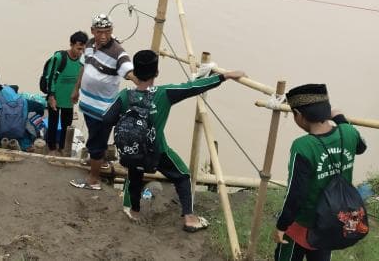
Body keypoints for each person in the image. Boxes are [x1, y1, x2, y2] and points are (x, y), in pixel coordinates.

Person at [108, 50, 244, 231]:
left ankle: (134, 211)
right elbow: (192, 87)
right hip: (156, 152)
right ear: (156, 72)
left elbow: (106, 118)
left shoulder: (124, 95)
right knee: (183, 175)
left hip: (131, 152)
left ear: (135, 73)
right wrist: (224, 76)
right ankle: (189, 218)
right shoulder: (163, 94)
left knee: (135, 174)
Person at [273, 84, 367, 261]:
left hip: (303, 224)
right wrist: (340, 118)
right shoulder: (348, 131)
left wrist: (282, 225)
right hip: (332, 221)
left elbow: (296, 193)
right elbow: (361, 147)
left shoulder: (303, 146)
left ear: (298, 115)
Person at [69, 14, 134, 190]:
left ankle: (93, 180)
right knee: (95, 136)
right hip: (88, 104)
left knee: (96, 143)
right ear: (93, 31)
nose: (104, 36)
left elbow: (128, 71)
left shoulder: (118, 52)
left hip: (103, 109)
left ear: (112, 31)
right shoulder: (90, 45)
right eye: (100, 32)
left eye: (108, 31)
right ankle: (99, 161)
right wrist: (76, 89)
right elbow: (84, 67)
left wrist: (140, 80)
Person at [44, 31, 87, 155]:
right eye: (78, 48)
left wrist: (77, 92)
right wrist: (51, 96)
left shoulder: (83, 61)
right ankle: (52, 148)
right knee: (53, 123)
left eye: (83, 49)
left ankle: (63, 147)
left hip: (69, 98)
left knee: (67, 125)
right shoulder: (59, 58)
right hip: (55, 97)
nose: (81, 52)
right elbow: (50, 77)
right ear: (71, 44)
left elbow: (81, 79)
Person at [0, 85, 46, 151]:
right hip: (20, 133)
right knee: (29, 120)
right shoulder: (24, 101)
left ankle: (1, 143)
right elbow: (40, 108)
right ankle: (26, 146)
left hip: (1, 133)